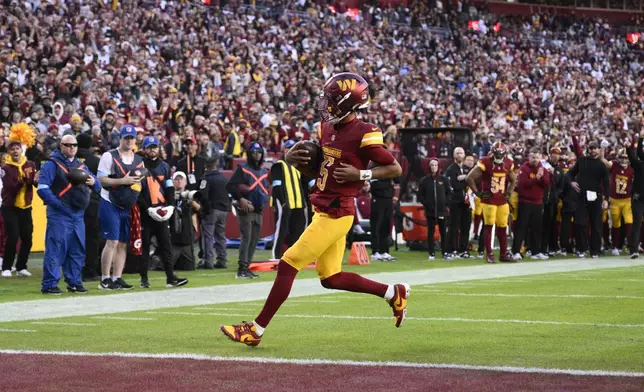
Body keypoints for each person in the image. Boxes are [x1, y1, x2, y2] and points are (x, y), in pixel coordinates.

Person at [220, 73, 407, 347]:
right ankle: (393, 293)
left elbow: (394, 168)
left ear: (347, 103)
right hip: (324, 208)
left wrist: (361, 174)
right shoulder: (326, 127)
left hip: (338, 213)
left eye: (332, 100)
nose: (326, 104)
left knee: (288, 263)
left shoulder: (365, 131)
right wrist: (290, 158)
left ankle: (255, 330)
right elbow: (319, 164)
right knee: (331, 278)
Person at [37, 135, 101, 294]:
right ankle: (50, 284)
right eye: (68, 145)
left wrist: (93, 182)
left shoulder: (81, 166)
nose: (72, 147)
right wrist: (58, 205)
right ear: (61, 146)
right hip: (60, 214)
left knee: (77, 249)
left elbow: (98, 185)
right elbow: (42, 189)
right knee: (56, 248)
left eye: (75, 145)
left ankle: (74, 282)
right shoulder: (51, 165)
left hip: (78, 214)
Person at [96, 125, 145, 290]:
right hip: (110, 201)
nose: (130, 140)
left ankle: (117, 277)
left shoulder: (138, 160)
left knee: (123, 243)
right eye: (127, 138)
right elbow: (101, 179)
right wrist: (121, 182)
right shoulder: (109, 156)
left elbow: (140, 182)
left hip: (127, 204)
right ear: (121, 138)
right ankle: (105, 278)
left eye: (132, 138)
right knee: (112, 241)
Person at [137, 136, 188, 289]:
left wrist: (171, 206)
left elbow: (169, 188)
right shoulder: (139, 165)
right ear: (144, 149)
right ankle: (144, 278)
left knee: (166, 245)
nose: (152, 150)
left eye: (155, 147)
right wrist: (147, 208)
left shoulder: (165, 166)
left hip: (161, 210)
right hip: (146, 212)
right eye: (149, 147)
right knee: (145, 246)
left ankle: (170, 277)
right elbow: (137, 191)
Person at [466, 141, 517, 263]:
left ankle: (503, 254)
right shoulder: (485, 162)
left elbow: (514, 180)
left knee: (503, 227)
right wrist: (478, 193)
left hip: (502, 201)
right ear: (493, 153)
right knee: (488, 226)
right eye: (497, 154)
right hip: (489, 200)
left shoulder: (508, 163)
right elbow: (469, 178)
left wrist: (509, 193)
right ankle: (489, 254)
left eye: (501, 154)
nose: (499, 156)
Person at [226, 142, 270, 279]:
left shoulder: (264, 172)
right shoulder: (243, 169)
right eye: (254, 152)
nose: (257, 155)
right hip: (246, 209)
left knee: (254, 240)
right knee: (246, 238)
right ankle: (242, 269)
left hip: (258, 210)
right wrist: (241, 199)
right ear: (249, 154)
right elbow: (230, 185)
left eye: (259, 152)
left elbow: (265, 189)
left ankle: (247, 267)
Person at [1, 134, 37, 277]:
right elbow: (10, 187)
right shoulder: (6, 168)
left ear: (21, 150)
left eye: (17, 148)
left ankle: (21, 266)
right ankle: (7, 267)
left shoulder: (30, 165)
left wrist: (35, 181)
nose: (15, 151)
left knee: (27, 237)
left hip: (26, 206)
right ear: (9, 152)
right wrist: (26, 181)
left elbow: (34, 183)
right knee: (13, 236)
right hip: (10, 207)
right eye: (12, 149)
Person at [567, 141, 610, 258]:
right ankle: (581, 248)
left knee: (596, 225)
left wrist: (607, 199)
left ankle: (595, 250)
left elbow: (607, 184)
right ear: (588, 149)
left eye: (595, 148)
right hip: (582, 196)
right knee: (580, 223)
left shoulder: (602, 165)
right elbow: (570, 173)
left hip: (596, 197)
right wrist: (572, 182)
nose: (593, 150)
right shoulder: (582, 161)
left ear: (599, 149)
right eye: (591, 148)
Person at [270, 139, 307, 261]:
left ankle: (293, 256)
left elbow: (305, 185)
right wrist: (282, 201)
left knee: (298, 230)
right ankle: (276, 256)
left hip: (298, 203)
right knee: (281, 230)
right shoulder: (279, 165)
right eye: (288, 148)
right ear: (284, 150)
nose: (291, 151)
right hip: (285, 203)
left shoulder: (299, 167)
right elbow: (276, 186)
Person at [511, 148, 550, 261]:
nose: (535, 160)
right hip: (525, 201)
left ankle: (535, 252)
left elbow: (547, 184)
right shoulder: (524, 168)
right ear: (529, 157)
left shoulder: (543, 169)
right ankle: (516, 251)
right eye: (533, 157)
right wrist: (536, 179)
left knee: (536, 228)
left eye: (537, 157)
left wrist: (541, 177)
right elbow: (523, 184)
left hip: (538, 202)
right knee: (521, 227)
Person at [76, 132, 101, 281]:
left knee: (75, 237)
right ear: (91, 145)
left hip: (73, 203)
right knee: (92, 238)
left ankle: (72, 269)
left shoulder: (70, 160)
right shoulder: (95, 161)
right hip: (92, 203)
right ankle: (90, 270)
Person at [198, 153, 230, 269]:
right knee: (220, 235)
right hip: (223, 210)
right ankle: (222, 260)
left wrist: (204, 210)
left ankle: (208, 261)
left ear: (206, 165)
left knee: (208, 236)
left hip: (211, 211)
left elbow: (203, 196)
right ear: (216, 164)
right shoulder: (224, 178)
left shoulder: (206, 178)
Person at [600, 147, 634, 255]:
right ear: (618, 158)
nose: (624, 160)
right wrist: (601, 152)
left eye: (626, 158)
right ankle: (615, 246)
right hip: (615, 200)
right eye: (622, 158)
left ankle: (630, 246)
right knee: (616, 224)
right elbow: (605, 162)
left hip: (627, 200)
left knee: (629, 222)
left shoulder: (632, 168)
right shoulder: (614, 164)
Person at [418, 158, 451, 260]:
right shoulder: (424, 181)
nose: (433, 167)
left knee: (443, 232)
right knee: (430, 232)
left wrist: (445, 203)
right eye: (432, 165)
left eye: (435, 165)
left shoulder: (444, 180)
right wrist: (427, 204)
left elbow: (449, 193)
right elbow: (420, 196)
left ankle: (444, 253)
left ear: (438, 166)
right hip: (430, 211)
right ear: (429, 167)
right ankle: (431, 253)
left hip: (442, 210)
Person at [444, 147, 472, 258]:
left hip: (467, 202)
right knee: (453, 226)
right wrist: (466, 180)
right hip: (455, 201)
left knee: (466, 226)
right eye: (457, 153)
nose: (459, 155)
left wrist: (463, 178)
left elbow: (472, 181)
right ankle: (451, 249)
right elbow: (455, 185)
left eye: (461, 153)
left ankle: (463, 249)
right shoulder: (450, 169)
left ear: (464, 155)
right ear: (454, 155)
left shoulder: (467, 169)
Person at [170, 171, 201, 269]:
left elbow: (201, 209)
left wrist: (190, 201)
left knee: (189, 267)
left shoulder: (190, 195)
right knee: (167, 265)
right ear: (173, 181)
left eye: (181, 179)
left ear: (185, 182)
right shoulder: (168, 194)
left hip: (186, 235)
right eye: (176, 179)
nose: (179, 181)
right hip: (172, 237)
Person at [369, 163, 396, 261]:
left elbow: (398, 180)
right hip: (378, 199)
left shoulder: (389, 168)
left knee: (386, 226)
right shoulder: (373, 168)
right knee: (376, 225)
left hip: (388, 200)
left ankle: (384, 251)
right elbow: (375, 185)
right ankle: (375, 251)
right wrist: (389, 183)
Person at [625, 136, 644, 259]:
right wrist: (639, 140)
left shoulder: (639, 164)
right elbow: (635, 155)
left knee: (637, 224)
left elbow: (638, 154)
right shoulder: (639, 164)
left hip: (639, 197)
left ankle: (635, 248)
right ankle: (633, 249)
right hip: (638, 198)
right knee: (636, 223)